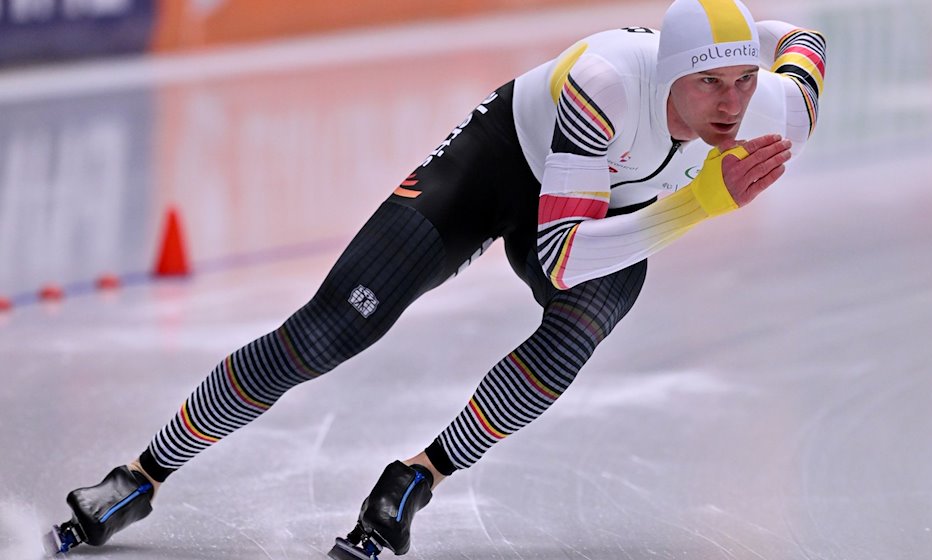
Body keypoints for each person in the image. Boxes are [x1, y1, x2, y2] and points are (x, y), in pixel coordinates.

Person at [50, 0, 827, 557]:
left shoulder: (766, 103)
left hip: (597, 200)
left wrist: (767, 47)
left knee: (588, 323)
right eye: (707, 86)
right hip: (495, 171)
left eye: (741, 83)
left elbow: (806, 43)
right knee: (323, 335)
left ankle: (415, 479)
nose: (728, 107)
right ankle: (138, 474)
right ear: (669, 73)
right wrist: (698, 203)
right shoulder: (610, 83)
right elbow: (558, 253)